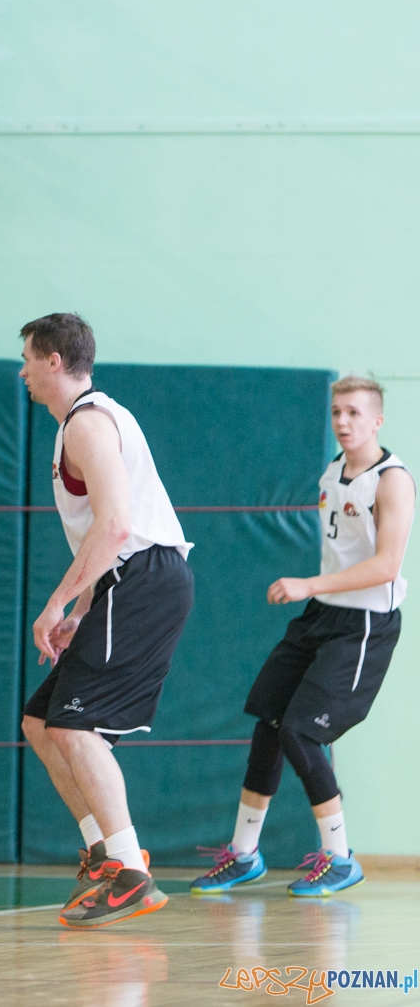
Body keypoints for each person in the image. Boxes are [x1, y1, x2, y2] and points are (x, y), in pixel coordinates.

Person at [191, 376, 411, 898]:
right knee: (270, 721)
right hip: (322, 615)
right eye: (337, 412)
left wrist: (307, 583)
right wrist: (316, 594)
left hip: (363, 627)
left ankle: (341, 858)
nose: (343, 421)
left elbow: (386, 566)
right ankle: (243, 855)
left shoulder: (392, 480)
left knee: (302, 731)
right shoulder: (333, 471)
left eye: (355, 413)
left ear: (376, 420)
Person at [15, 313, 193, 928]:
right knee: (41, 722)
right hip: (128, 582)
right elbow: (110, 532)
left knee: (76, 727)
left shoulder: (88, 423)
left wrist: (57, 603)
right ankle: (102, 852)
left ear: (56, 360)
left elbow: (118, 526)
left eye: (30, 360)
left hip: (142, 579)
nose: (24, 373)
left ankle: (130, 871)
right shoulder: (88, 419)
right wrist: (86, 608)